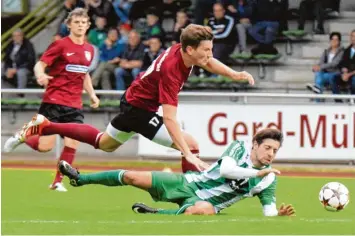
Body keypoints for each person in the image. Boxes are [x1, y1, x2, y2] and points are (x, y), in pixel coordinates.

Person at [4, 24, 254, 174]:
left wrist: (234, 73)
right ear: (189, 50)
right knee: (191, 144)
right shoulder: (171, 70)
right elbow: (169, 119)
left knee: (105, 144)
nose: (210, 54)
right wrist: (187, 153)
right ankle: (192, 197)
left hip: (133, 100)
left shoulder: (186, 49)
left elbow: (208, 62)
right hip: (139, 109)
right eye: (206, 49)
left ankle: (45, 125)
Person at [58, 128, 295, 216]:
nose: (271, 154)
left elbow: (269, 211)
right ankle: (81, 178)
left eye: (275, 150)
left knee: (202, 211)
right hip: (189, 183)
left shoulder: (269, 179)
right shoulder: (240, 146)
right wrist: (256, 174)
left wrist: (278, 215)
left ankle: (155, 213)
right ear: (255, 144)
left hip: (207, 203)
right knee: (132, 176)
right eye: (267, 148)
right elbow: (226, 169)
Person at [3, 8, 100, 192]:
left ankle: (57, 182)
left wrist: (92, 94)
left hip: (74, 104)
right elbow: (40, 64)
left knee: (72, 143)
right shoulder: (60, 45)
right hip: (55, 100)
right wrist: (40, 75)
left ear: (88, 26)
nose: (80, 25)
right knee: (45, 147)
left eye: (83, 22)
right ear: (69, 25)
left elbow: (84, 74)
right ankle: (23, 135)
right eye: (76, 22)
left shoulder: (89, 50)